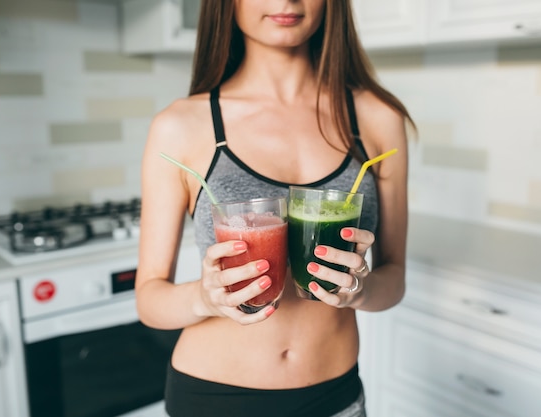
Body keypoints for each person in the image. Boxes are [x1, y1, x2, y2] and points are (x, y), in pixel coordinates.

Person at [135, 1, 414, 416]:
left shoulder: (377, 118)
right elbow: (149, 300)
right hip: (215, 399)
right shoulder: (181, 125)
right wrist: (205, 298)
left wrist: (361, 290)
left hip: (336, 397)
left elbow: (393, 279)